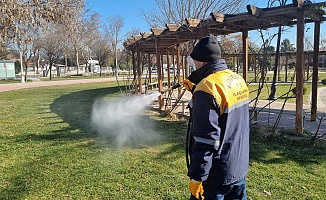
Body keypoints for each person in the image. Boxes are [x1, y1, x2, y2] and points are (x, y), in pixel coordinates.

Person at [183, 34, 250, 200]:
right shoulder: (237, 79)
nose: (194, 66)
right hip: (238, 166)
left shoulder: (207, 88)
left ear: (202, 61)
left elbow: (206, 139)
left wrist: (198, 177)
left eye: (194, 62)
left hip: (216, 174)